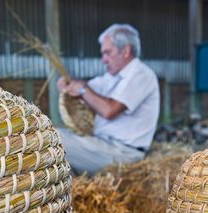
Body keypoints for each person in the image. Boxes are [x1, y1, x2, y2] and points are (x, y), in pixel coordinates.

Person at [57, 23, 160, 175]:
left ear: (125, 51)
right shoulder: (112, 77)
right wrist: (69, 84)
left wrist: (82, 89)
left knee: (52, 139)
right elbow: (87, 86)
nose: (103, 59)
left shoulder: (141, 75)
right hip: (103, 147)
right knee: (59, 153)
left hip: (122, 153)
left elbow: (109, 110)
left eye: (107, 52)